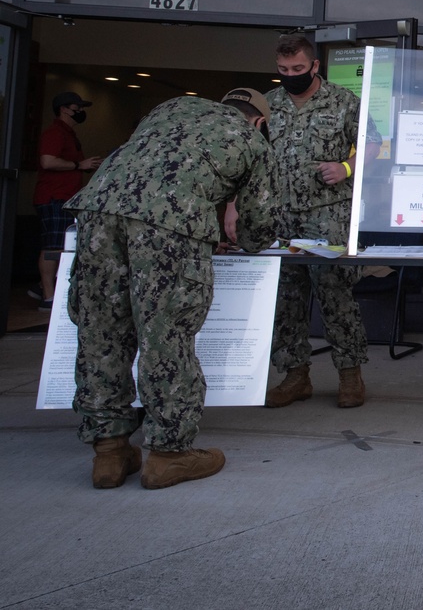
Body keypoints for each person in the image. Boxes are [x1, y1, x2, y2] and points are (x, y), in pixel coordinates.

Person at [64, 88, 277, 490]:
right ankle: (168, 454)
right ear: (259, 121)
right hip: (166, 226)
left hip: (96, 209)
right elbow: (257, 228)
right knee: (166, 335)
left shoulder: (172, 106)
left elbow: (158, 163)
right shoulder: (252, 140)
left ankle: (109, 452)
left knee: (100, 332)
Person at [257, 34, 381, 409]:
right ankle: (295, 376)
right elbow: (250, 154)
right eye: (283, 70)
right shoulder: (269, 103)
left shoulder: (343, 101)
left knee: (335, 294)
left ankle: (349, 375)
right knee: (286, 298)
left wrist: (346, 167)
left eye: (297, 68)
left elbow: (374, 143)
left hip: (327, 216)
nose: (290, 75)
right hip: (279, 216)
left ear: (314, 66)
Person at [32, 91, 103, 311]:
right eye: (77, 108)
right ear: (64, 109)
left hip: (66, 198)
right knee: (53, 246)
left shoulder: (68, 134)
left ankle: (41, 287)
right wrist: (77, 165)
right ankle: (48, 296)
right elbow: (47, 161)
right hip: (54, 197)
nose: (81, 112)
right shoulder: (55, 133)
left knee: (62, 244)